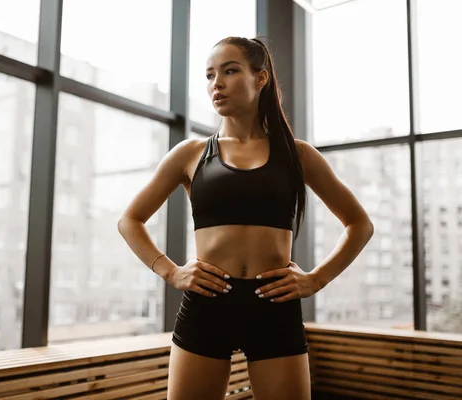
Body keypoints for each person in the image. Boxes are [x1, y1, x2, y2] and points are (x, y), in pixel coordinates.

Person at [117, 36, 374, 400]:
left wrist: (316, 280)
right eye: (209, 75)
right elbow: (130, 219)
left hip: (274, 307)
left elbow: (359, 224)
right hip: (208, 304)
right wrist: (171, 271)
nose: (215, 83)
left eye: (230, 70)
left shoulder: (297, 154)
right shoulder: (190, 154)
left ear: (261, 78)